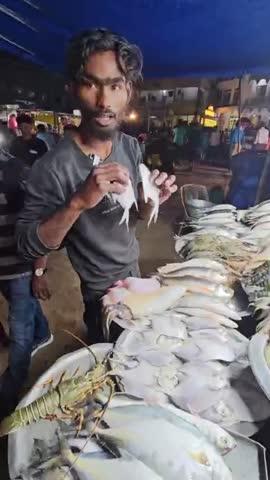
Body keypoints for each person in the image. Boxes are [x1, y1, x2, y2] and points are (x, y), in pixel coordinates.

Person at [16, 28, 177, 344]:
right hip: (99, 294)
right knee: (116, 365)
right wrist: (78, 201)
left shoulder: (129, 146)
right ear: (73, 89)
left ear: (127, 91)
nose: (104, 101)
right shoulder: (51, 167)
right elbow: (26, 245)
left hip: (135, 273)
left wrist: (148, 202)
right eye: (91, 84)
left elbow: (129, 221)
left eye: (115, 85)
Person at [0, 132, 52, 419]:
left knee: (20, 335)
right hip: (3, 272)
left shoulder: (16, 173)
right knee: (26, 310)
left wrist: (38, 272)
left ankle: (8, 394)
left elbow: (40, 226)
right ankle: (43, 333)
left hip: (19, 268)